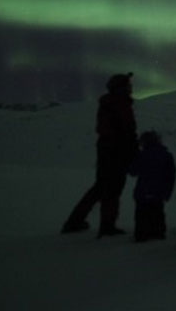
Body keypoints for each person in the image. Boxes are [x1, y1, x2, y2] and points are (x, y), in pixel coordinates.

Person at [61, 72, 139, 237]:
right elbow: (126, 131)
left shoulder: (110, 103)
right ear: (121, 88)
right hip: (115, 152)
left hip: (108, 151)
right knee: (111, 188)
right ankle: (106, 226)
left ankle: (76, 221)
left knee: (101, 188)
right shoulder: (119, 104)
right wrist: (130, 150)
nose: (131, 88)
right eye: (128, 85)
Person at [128, 130, 176, 242]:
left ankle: (141, 235)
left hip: (142, 191)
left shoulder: (142, 155)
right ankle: (157, 234)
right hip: (159, 192)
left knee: (141, 216)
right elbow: (171, 176)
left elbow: (132, 171)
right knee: (157, 214)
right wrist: (168, 192)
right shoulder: (166, 155)